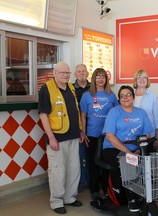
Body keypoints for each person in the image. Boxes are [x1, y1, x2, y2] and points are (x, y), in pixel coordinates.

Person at [38, 62, 85, 214]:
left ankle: (70, 197)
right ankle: (57, 201)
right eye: (62, 72)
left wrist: (80, 131)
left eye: (67, 72)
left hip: (73, 136)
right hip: (57, 138)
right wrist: (51, 137)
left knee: (74, 169)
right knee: (58, 171)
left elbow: (76, 111)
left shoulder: (71, 87)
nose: (65, 75)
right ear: (54, 73)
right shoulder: (47, 88)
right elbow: (43, 114)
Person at [102, 85, 153, 213]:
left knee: (152, 161)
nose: (125, 98)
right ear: (119, 99)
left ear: (133, 97)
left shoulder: (141, 113)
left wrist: (140, 150)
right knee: (128, 161)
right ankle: (132, 200)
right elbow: (109, 136)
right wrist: (129, 152)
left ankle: (146, 196)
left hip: (136, 150)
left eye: (128, 95)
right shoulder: (114, 112)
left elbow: (147, 134)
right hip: (112, 149)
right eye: (122, 96)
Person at [79, 68, 118, 211]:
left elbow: (117, 114)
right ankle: (94, 191)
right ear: (94, 79)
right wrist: (84, 132)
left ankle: (107, 190)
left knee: (106, 163)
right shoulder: (87, 96)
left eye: (103, 76)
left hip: (108, 136)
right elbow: (83, 115)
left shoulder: (111, 96)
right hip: (93, 135)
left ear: (106, 80)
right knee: (93, 164)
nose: (101, 79)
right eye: (98, 76)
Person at [132, 69, 158, 150]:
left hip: (149, 137)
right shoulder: (129, 95)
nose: (142, 80)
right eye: (139, 77)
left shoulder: (153, 97)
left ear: (147, 80)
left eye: (144, 77)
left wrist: (157, 138)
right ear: (135, 80)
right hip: (131, 136)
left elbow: (157, 120)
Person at [73, 64, 91, 191]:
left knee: (92, 156)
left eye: (83, 71)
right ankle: (82, 182)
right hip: (77, 127)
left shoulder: (93, 88)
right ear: (75, 74)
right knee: (79, 156)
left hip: (93, 126)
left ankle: (91, 181)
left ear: (87, 73)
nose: (81, 73)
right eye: (79, 71)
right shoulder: (70, 89)